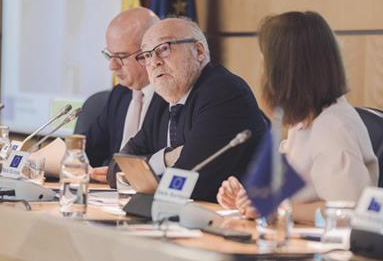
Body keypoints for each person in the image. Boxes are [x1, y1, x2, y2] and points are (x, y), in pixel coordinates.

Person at [217, 11, 379, 224]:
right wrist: (247, 196)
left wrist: (276, 208)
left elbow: (346, 214)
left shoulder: (332, 128)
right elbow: (285, 190)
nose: (264, 73)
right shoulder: (303, 119)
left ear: (287, 71)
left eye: (267, 63)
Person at [107, 17, 268, 202]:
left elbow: (191, 182)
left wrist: (140, 175)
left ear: (198, 51)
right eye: (147, 55)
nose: (154, 62)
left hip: (235, 219)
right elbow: (116, 169)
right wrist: (166, 159)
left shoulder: (223, 93)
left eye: (164, 49)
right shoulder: (163, 100)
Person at [86, 8, 159, 182]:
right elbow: (89, 152)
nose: (112, 66)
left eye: (121, 56)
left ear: (148, 54)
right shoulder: (120, 95)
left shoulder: (170, 99)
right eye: (109, 55)